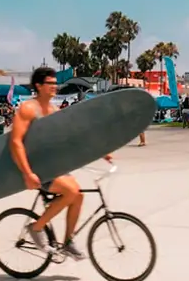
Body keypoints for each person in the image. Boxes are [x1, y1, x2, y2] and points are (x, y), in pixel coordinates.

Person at [9, 66, 113, 260]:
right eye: (50, 83)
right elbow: (15, 142)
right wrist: (27, 173)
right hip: (38, 168)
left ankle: (67, 242)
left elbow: (72, 138)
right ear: (39, 86)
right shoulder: (28, 108)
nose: (55, 86)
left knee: (78, 196)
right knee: (71, 192)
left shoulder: (55, 110)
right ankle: (36, 227)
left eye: (56, 83)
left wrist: (100, 152)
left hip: (53, 166)